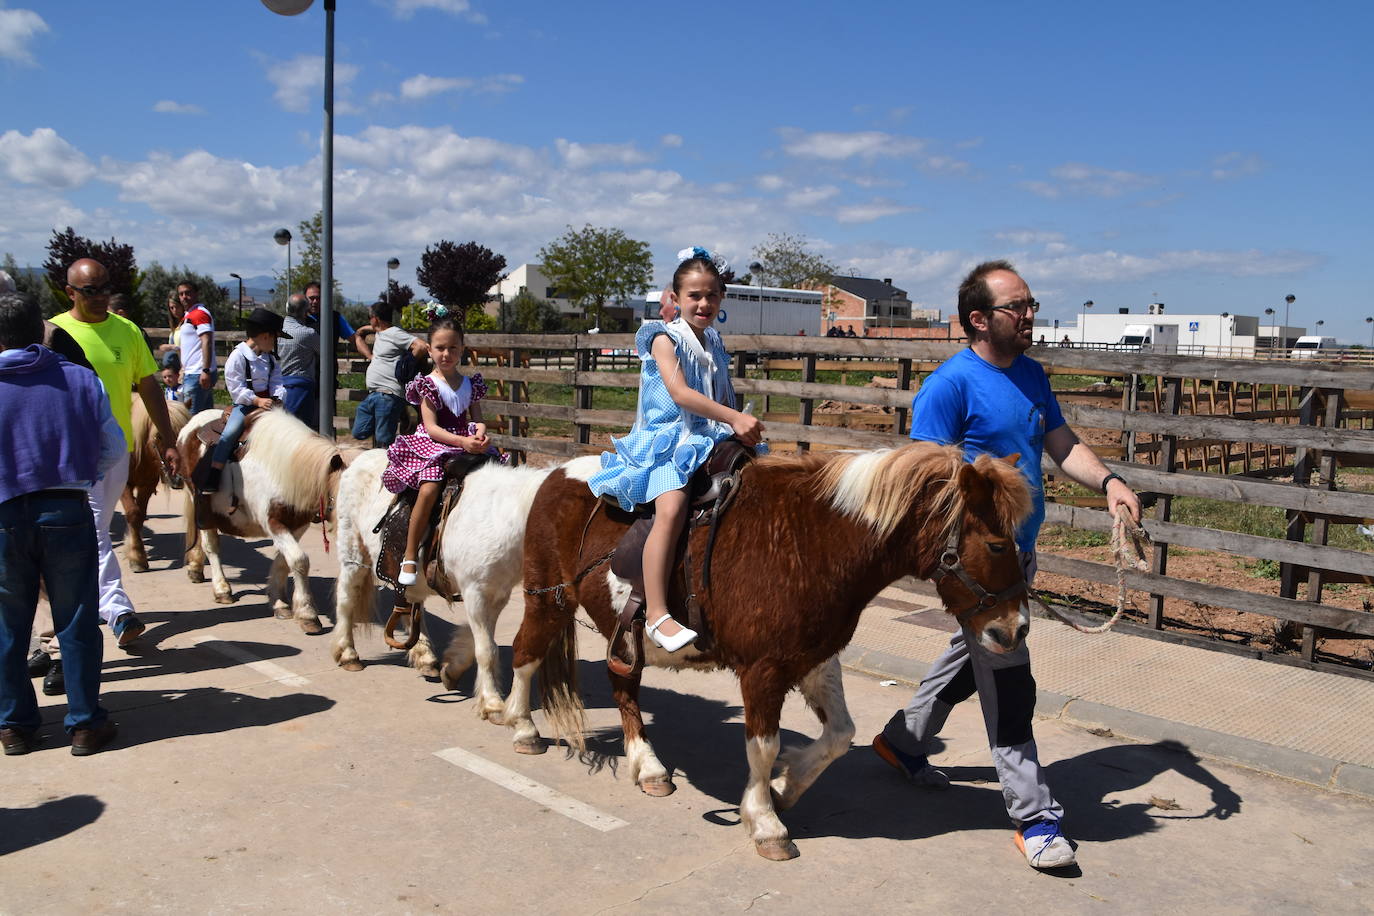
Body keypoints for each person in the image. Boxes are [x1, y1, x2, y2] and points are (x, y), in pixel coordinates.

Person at [873, 260, 1141, 871]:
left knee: (976, 660)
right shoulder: (950, 386)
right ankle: (1034, 814)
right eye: (1016, 307)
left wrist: (1110, 481)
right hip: (980, 568)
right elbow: (925, 477)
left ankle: (901, 742)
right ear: (978, 319)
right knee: (1010, 674)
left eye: (1030, 304)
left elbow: (1061, 442)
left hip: (1020, 555)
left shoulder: (1030, 375)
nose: (1029, 316)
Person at [587, 248, 765, 651]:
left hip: (710, 433)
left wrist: (738, 423)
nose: (703, 304)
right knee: (671, 505)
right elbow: (680, 392)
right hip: (669, 438)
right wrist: (733, 419)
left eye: (711, 296)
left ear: (721, 298)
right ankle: (656, 613)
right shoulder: (663, 338)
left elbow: (722, 392)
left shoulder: (714, 340)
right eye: (694, 296)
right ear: (677, 297)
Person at [0, 291, 124, 756]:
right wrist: (76, 473)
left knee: (8, 624)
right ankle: (85, 723)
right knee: (75, 620)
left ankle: (14, 726)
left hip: (4, 515)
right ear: (40, 330)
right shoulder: (79, 379)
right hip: (66, 508)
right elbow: (113, 450)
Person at [50, 258, 181, 649]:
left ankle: (80, 616)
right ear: (70, 291)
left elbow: (150, 387)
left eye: (105, 287)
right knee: (92, 529)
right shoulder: (54, 332)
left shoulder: (126, 331)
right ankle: (117, 608)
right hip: (69, 454)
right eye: (91, 290)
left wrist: (169, 439)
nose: (101, 296)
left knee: (95, 529)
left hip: (114, 451)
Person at [380, 304, 496, 587]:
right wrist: (463, 441)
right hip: (434, 442)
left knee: (497, 474)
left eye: (453, 348)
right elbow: (431, 427)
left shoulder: (471, 384)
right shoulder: (428, 384)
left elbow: (478, 419)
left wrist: (480, 435)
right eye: (440, 348)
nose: (446, 354)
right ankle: (409, 553)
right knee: (430, 486)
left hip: (464, 439)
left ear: (462, 349)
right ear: (430, 350)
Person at [201, 307, 289, 495]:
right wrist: (257, 401)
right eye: (275, 338)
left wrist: (278, 397)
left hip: (269, 405)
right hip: (246, 405)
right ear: (265, 336)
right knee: (230, 434)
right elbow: (236, 388)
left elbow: (277, 382)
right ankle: (214, 474)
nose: (275, 343)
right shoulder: (238, 356)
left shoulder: (271, 359)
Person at [352, 300, 430, 448]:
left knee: (383, 442)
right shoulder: (382, 333)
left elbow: (421, 346)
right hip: (374, 394)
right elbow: (359, 333)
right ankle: (401, 416)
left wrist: (408, 362)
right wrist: (369, 353)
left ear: (375, 318)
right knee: (358, 432)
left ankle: (387, 465)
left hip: (388, 394)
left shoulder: (394, 333)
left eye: (370, 317)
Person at [167, 280, 216, 412]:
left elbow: (206, 341)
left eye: (187, 293)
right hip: (193, 372)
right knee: (204, 417)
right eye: (181, 294)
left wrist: (205, 370)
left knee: (191, 419)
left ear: (196, 294)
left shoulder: (199, 314)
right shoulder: (189, 314)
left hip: (197, 373)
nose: (184, 297)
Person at [277, 293, 320, 425]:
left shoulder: (276, 329)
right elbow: (324, 352)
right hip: (301, 387)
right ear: (305, 312)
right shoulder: (308, 334)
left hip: (277, 384)